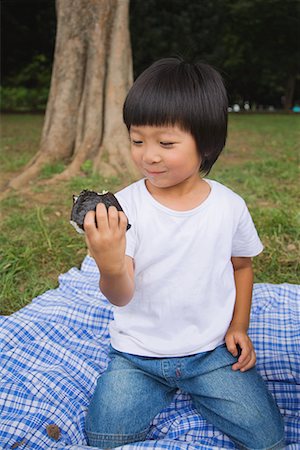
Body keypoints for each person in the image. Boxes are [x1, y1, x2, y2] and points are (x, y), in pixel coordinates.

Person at [84, 58, 285, 449]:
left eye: (166, 143)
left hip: (210, 352)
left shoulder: (229, 206)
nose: (148, 156)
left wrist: (238, 326)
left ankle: (202, 389)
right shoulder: (124, 208)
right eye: (137, 140)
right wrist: (109, 265)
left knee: (268, 438)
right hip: (137, 355)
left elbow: (241, 266)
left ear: (206, 143)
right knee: (104, 437)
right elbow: (120, 295)